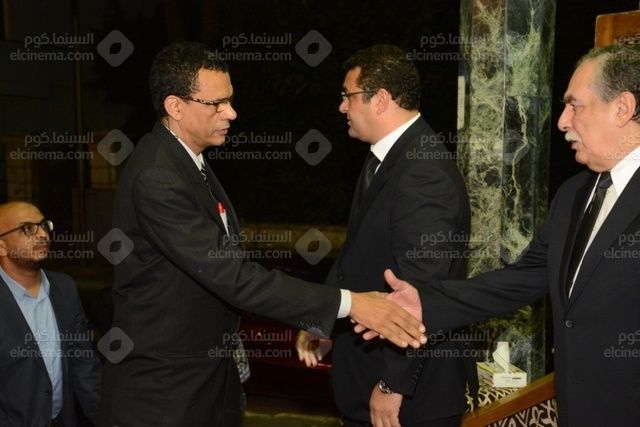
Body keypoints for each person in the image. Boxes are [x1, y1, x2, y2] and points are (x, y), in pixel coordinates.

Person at [99, 41, 426, 427]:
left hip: (202, 384)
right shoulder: (158, 175)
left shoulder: (187, 163)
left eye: (230, 100)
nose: (231, 113)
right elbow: (233, 277)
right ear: (175, 106)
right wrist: (350, 303)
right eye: (217, 104)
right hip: (164, 395)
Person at [372, 44, 640, 426]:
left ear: (622, 108)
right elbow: (524, 278)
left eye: (575, 106)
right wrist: (426, 304)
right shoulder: (574, 194)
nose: (562, 121)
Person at [297, 44, 476, 427]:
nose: (342, 106)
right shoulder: (388, 157)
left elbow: (423, 289)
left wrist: (393, 383)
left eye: (348, 96)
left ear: (379, 99)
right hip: (369, 378)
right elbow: (357, 258)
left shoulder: (422, 171)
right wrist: (324, 321)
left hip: (409, 400)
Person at [0, 201, 101, 426]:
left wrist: (108, 417)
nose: (42, 235)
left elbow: (83, 363)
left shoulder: (64, 287)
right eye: (27, 228)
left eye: (44, 225)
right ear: (1, 247)